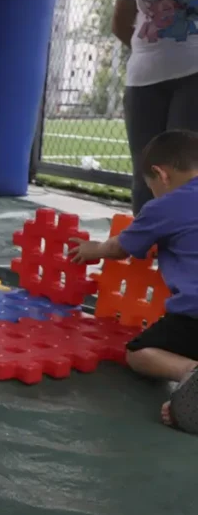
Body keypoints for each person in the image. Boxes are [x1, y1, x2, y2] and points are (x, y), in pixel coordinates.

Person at [68, 130, 198, 434]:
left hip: (194, 315)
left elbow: (120, 247)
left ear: (160, 175)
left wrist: (93, 250)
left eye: (151, 187)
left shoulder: (165, 207)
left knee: (138, 353)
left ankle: (191, 373)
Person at [113, 0, 198, 215]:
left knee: (184, 169)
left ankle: (184, 247)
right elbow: (120, 21)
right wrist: (150, 53)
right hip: (143, 80)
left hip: (194, 77)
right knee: (146, 171)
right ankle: (144, 247)